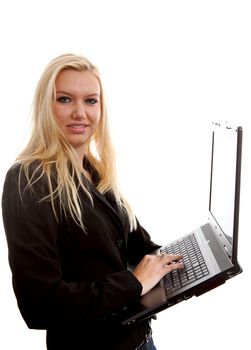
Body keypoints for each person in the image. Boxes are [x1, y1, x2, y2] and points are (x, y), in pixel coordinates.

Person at [1, 53, 184, 350]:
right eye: (64, 100)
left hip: (139, 340)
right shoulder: (27, 180)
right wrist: (134, 283)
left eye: (90, 101)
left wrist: (184, 258)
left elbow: (134, 245)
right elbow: (39, 305)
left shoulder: (94, 169)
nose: (80, 113)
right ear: (45, 106)